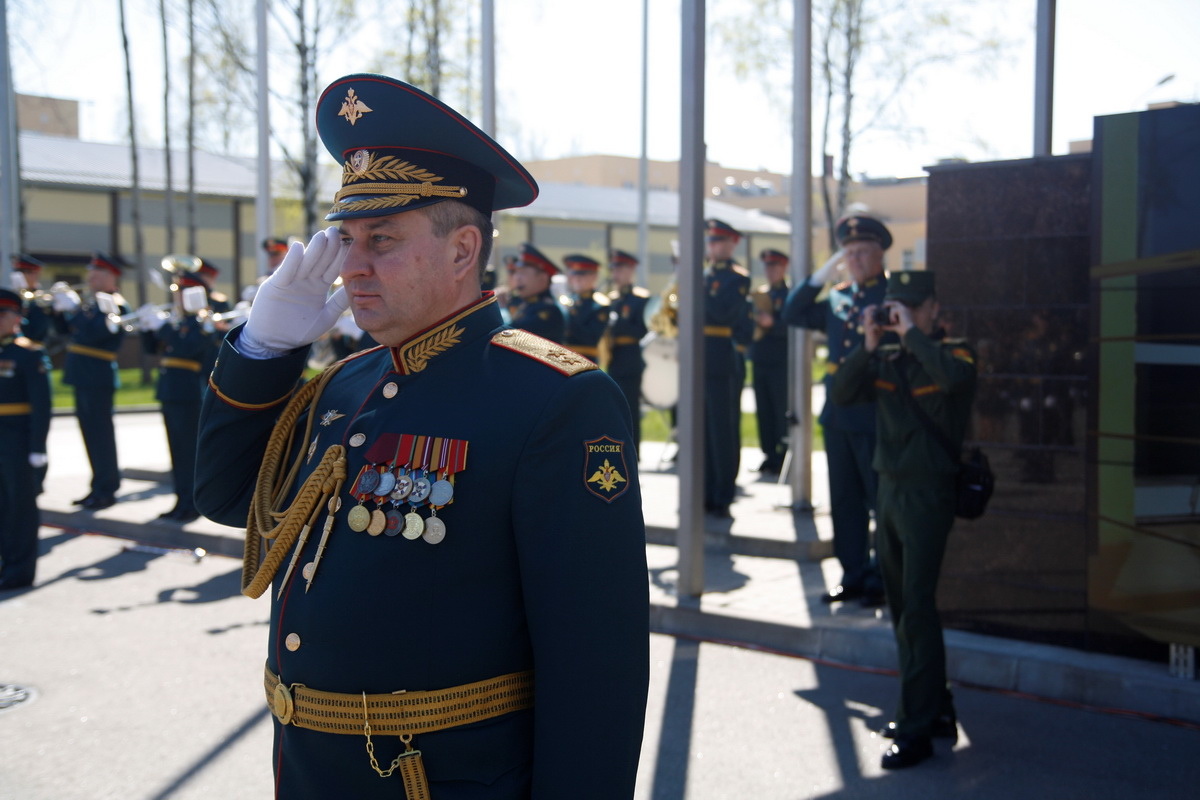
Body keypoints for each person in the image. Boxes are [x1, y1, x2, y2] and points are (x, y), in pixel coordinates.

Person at [193, 73, 649, 799]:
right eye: (347, 240)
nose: (352, 266)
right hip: (310, 773)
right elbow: (225, 498)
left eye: (382, 240)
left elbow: (596, 665)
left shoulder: (554, 399)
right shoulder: (344, 385)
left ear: (463, 250)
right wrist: (261, 349)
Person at [829, 270, 976, 770]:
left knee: (916, 605)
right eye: (897, 307)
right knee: (900, 606)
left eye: (912, 307)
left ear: (934, 308)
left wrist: (912, 333)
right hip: (888, 489)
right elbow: (842, 394)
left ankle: (916, 727)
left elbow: (955, 382)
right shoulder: (887, 358)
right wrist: (869, 345)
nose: (902, 315)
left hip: (927, 492)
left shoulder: (955, 353)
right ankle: (936, 708)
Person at [783, 213, 890, 606]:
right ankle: (853, 573)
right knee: (844, 499)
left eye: (862, 251)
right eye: (849, 253)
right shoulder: (839, 296)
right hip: (838, 413)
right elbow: (792, 313)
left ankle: (882, 576)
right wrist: (821, 275)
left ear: (880, 254)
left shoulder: (891, 296)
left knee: (879, 499)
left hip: (874, 409)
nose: (855, 259)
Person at [139, 257, 226, 522]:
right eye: (177, 292)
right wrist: (146, 328)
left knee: (189, 452)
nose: (177, 297)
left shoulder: (202, 322)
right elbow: (152, 349)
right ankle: (181, 500)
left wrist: (162, 327)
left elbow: (188, 349)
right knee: (176, 451)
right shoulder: (178, 322)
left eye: (182, 292)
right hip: (170, 391)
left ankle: (192, 504)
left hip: (189, 392)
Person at [53, 252, 129, 510]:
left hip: (97, 375)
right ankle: (97, 486)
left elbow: (94, 334)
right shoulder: (91, 304)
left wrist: (74, 310)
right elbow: (66, 331)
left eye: (97, 273)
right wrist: (58, 311)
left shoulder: (115, 305)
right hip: (82, 374)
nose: (90, 277)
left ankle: (107, 488)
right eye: (91, 272)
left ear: (111, 276)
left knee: (101, 436)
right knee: (90, 435)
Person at [0, 289, 52, 591]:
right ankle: (5, 564)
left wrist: (37, 448)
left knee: (20, 509)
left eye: (1, 315)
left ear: (16, 318)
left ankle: (19, 571)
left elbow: (41, 406)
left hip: (18, 443)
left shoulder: (29, 353)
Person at [701, 219, 751, 518]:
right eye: (710, 240)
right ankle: (704, 491)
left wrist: (696, 288)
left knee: (722, 429)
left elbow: (723, 314)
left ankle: (722, 492)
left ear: (733, 244)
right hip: (697, 358)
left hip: (720, 358)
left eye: (719, 240)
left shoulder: (737, 279)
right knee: (701, 430)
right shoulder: (704, 276)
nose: (713, 246)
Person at [750, 249, 791, 475]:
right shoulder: (760, 294)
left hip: (781, 361)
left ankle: (783, 454)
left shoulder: (789, 295)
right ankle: (769, 454)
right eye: (767, 266)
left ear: (784, 268)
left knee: (779, 409)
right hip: (760, 359)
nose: (770, 271)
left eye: (775, 266)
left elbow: (792, 326)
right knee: (763, 410)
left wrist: (772, 323)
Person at [606, 249, 650, 454]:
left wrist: (617, 324)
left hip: (631, 358)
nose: (616, 274)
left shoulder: (640, 299)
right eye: (614, 269)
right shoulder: (611, 299)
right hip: (613, 358)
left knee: (630, 408)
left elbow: (642, 330)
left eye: (621, 269)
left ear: (631, 270)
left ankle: (633, 452)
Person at [510, 242, 566, 342]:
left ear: (542, 278)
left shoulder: (549, 310)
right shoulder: (526, 304)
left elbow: (512, 333)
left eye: (523, 273)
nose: (517, 278)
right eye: (516, 273)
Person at [560, 253, 610, 363]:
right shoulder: (566, 301)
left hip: (586, 360)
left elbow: (590, 338)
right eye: (574, 274)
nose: (577, 279)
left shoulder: (600, 305)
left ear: (594, 277)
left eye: (582, 275)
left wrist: (571, 315)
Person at [11, 255, 52, 347]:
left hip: (33, 346)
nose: (37, 278)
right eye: (34, 274)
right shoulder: (10, 295)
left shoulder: (41, 298)